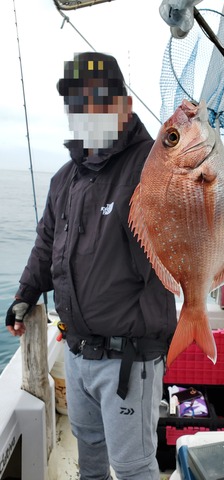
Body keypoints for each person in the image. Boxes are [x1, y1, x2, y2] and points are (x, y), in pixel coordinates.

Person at [6, 52, 177, 480]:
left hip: (129, 358)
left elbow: (188, 201)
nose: (88, 111)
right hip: (79, 351)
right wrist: (25, 293)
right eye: (78, 103)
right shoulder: (64, 178)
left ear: (125, 104)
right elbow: (47, 244)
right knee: (90, 456)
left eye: (99, 99)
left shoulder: (151, 166)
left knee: (134, 466)